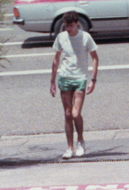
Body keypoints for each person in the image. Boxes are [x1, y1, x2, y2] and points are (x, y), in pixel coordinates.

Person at [50, 11, 98, 160]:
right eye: (66, 25)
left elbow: (95, 58)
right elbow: (56, 59)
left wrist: (93, 79)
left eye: (71, 25)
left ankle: (81, 141)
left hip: (80, 78)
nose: (68, 28)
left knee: (76, 114)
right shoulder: (61, 37)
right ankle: (69, 147)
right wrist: (52, 81)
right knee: (68, 114)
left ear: (77, 23)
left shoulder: (85, 37)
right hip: (64, 78)